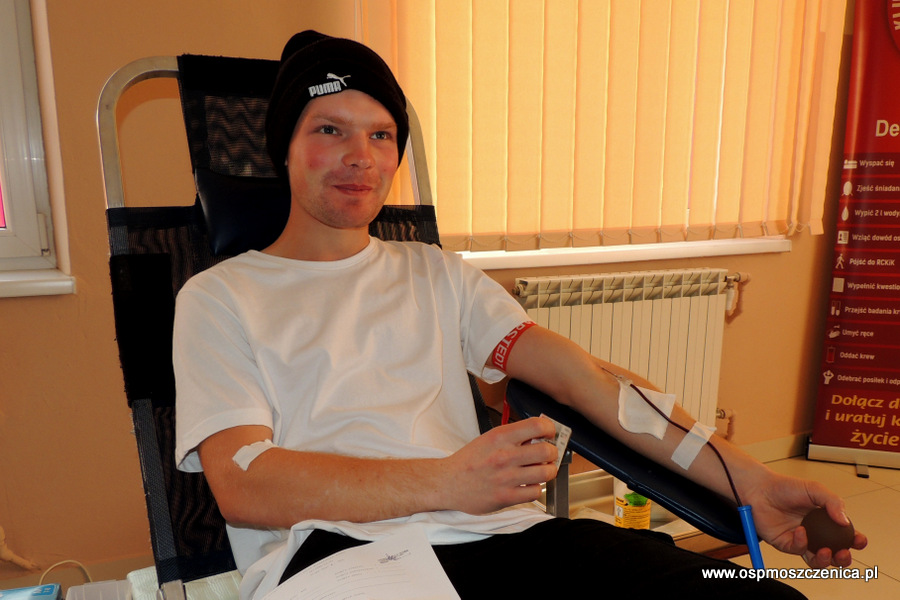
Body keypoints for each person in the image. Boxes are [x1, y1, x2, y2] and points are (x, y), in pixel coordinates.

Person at [173, 30, 866, 600]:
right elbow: (244, 485)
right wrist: (448, 481)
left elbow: (589, 382)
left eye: (382, 135)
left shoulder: (438, 275)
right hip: (338, 558)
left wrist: (755, 483)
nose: (362, 157)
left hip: (501, 536)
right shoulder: (219, 297)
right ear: (284, 148)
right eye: (330, 129)